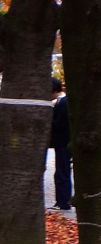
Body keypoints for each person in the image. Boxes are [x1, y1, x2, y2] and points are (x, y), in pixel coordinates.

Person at [50, 77, 72, 212]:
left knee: (62, 173)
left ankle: (63, 201)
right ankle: (62, 200)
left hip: (63, 143)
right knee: (61, 172)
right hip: (62, 143)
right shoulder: (61, 103)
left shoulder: (64, 103)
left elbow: (60, 124)